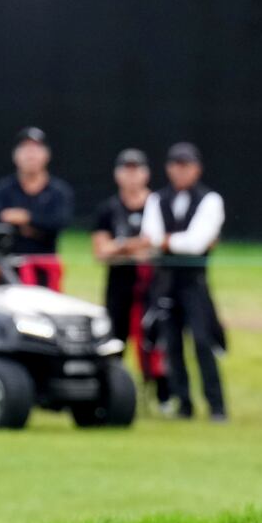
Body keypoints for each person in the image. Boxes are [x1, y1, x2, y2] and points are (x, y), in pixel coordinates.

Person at [142, 142, 227, 421]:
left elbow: (196, 242)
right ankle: (184, 404)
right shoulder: (157, 199)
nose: (181, 171)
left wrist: (167, 241)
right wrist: (176, 242)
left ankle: (216, 406)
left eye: (186, 165)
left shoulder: (210, 199)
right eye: (176, 165)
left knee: (203, 341)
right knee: (171, 344)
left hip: (195, 282)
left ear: (197, 168)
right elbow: (150, 238)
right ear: (168, 168)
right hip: (165, 282)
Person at [92, 149, 167, 407]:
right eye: (127, 169)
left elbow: (157, 246)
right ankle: (112, 392)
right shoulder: (109, 209)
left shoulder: (158, 206)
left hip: (152, 284)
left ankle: (162, 395)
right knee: (114, 338)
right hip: (119, 284)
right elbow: (101, 251)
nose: (132, 176)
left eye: (137, 169)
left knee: (154, 337)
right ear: (118, 174)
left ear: (146, 174)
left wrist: (120, 246)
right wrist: (133, 245)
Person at [0, 127, 74, 290]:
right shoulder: (3, 190)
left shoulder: (58, 191)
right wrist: (36, 228)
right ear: (15, 155)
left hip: (44, 269)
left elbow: (57, 223)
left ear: (46, 155)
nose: (30, 154)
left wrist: (26, 218)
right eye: (25, 149)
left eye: (36, 149)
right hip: (10, 268)